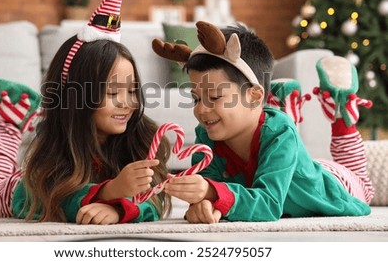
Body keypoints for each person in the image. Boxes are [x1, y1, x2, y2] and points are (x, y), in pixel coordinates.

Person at [0, 0, 172, 224]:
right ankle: (11, 114)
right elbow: (59, 200)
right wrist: (110, 191)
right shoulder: (54, 155)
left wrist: (119, 210)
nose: (127, 103)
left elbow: (155, 200)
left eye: (131, 91)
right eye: (112, 93)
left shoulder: (141, 141)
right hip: (25, 191)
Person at [153, 21, 374, 223]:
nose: (201, 109)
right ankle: (283, 105)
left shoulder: (280, 134)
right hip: (289, 163)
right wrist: (203, 204)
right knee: (285, 143)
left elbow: (268, 205)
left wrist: (211, 193)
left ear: (255, 95)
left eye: (215, 97)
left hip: (333, 182)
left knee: (363, 185)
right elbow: (210, 186)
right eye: (196, 98)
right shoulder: (206, 135)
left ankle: (342, 114)